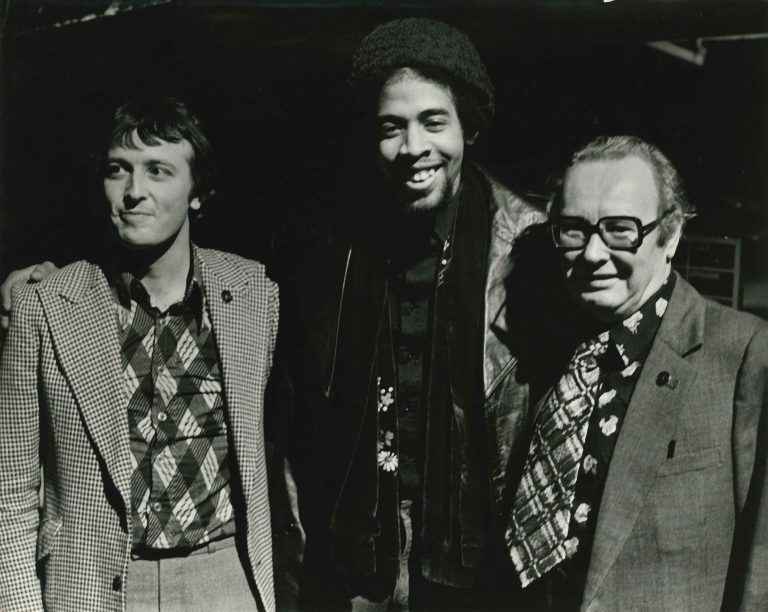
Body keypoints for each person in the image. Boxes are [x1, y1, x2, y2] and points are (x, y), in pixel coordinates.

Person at [271, 18, 545, 611]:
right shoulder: (329, 247)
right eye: (391, 127)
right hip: (357, 560)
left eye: (434, 122)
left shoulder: (530, 248)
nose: (413, 147)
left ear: (469, 126)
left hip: (481, 563)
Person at [0, 98, 278, 611]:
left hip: (223, 580)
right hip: (90, 587)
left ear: (197, 191)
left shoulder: (254, 295)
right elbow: (10, 490)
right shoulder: (45, 305)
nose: (133, 191)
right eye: (118, 170)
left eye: (158, 171)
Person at [505, 135, 768, 611]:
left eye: (620, 229)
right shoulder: (547, 352)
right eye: (574, 230)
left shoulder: (745, 354)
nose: (592, 253)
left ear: (670, 235)